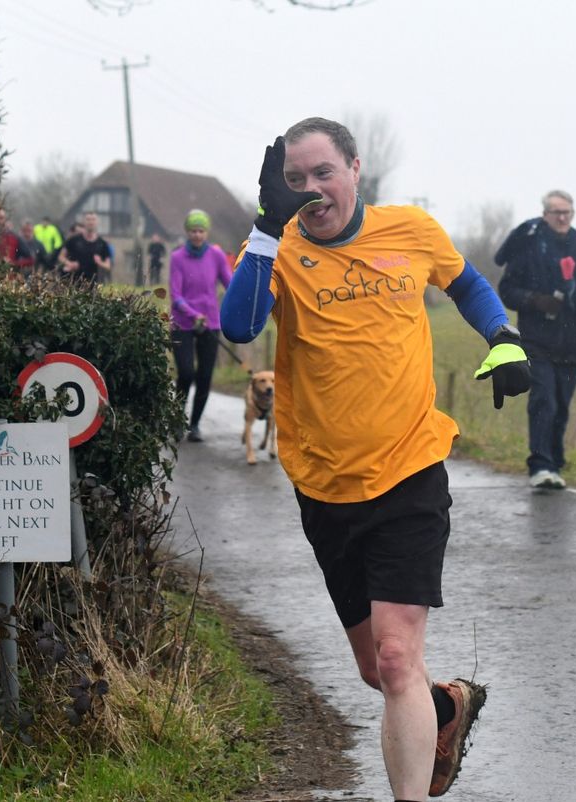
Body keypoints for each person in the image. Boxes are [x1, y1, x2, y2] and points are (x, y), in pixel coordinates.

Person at [220, 117, 531, 802]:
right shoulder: (277, 247)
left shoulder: (410, 230)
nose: (311, 190)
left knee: (395, 658)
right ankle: (445, 706)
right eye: (295, 180)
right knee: (377, 670)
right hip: (324, 482)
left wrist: (503, 337)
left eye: (323, 173)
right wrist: (267, 228)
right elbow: (239, 325)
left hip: (410, 468)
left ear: (355, 170)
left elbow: (467, 284)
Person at [495, 190, 576, 490]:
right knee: (544, 400)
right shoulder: (528, 247)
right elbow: (507, 289)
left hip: (573, 340)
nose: (562, 218)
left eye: (567, 213)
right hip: (537, 339)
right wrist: (535, 300)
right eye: (556, 213)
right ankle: (540, 465)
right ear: (545, 215)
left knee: (561, 405)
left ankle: (554, 464)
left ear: (572, 214)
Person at [170, 209, 233, 443]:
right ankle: (177, 420)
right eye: (193, 231)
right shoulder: (177, 258)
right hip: (183, 322)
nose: (197, 235)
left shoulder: (216, 255)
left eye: (201, 231)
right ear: (187, 232)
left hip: (210, 322)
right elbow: (175, 295)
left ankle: (194, 425)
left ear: (206, 232)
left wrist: (241, 300)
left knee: (205, 376)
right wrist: (193, 314)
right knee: (186, 373)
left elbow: (229, 283)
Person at [58, 211, 111, 284]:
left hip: (92, 283)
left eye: (93, 219)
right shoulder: (74, 240)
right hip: (73, 282)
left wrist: (100, 262)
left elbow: (108, 266)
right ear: (84, 222)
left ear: (97, 222)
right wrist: (69, 264)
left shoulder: (102, 244)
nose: (91, 222)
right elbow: (61, 257)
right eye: (88, 219)